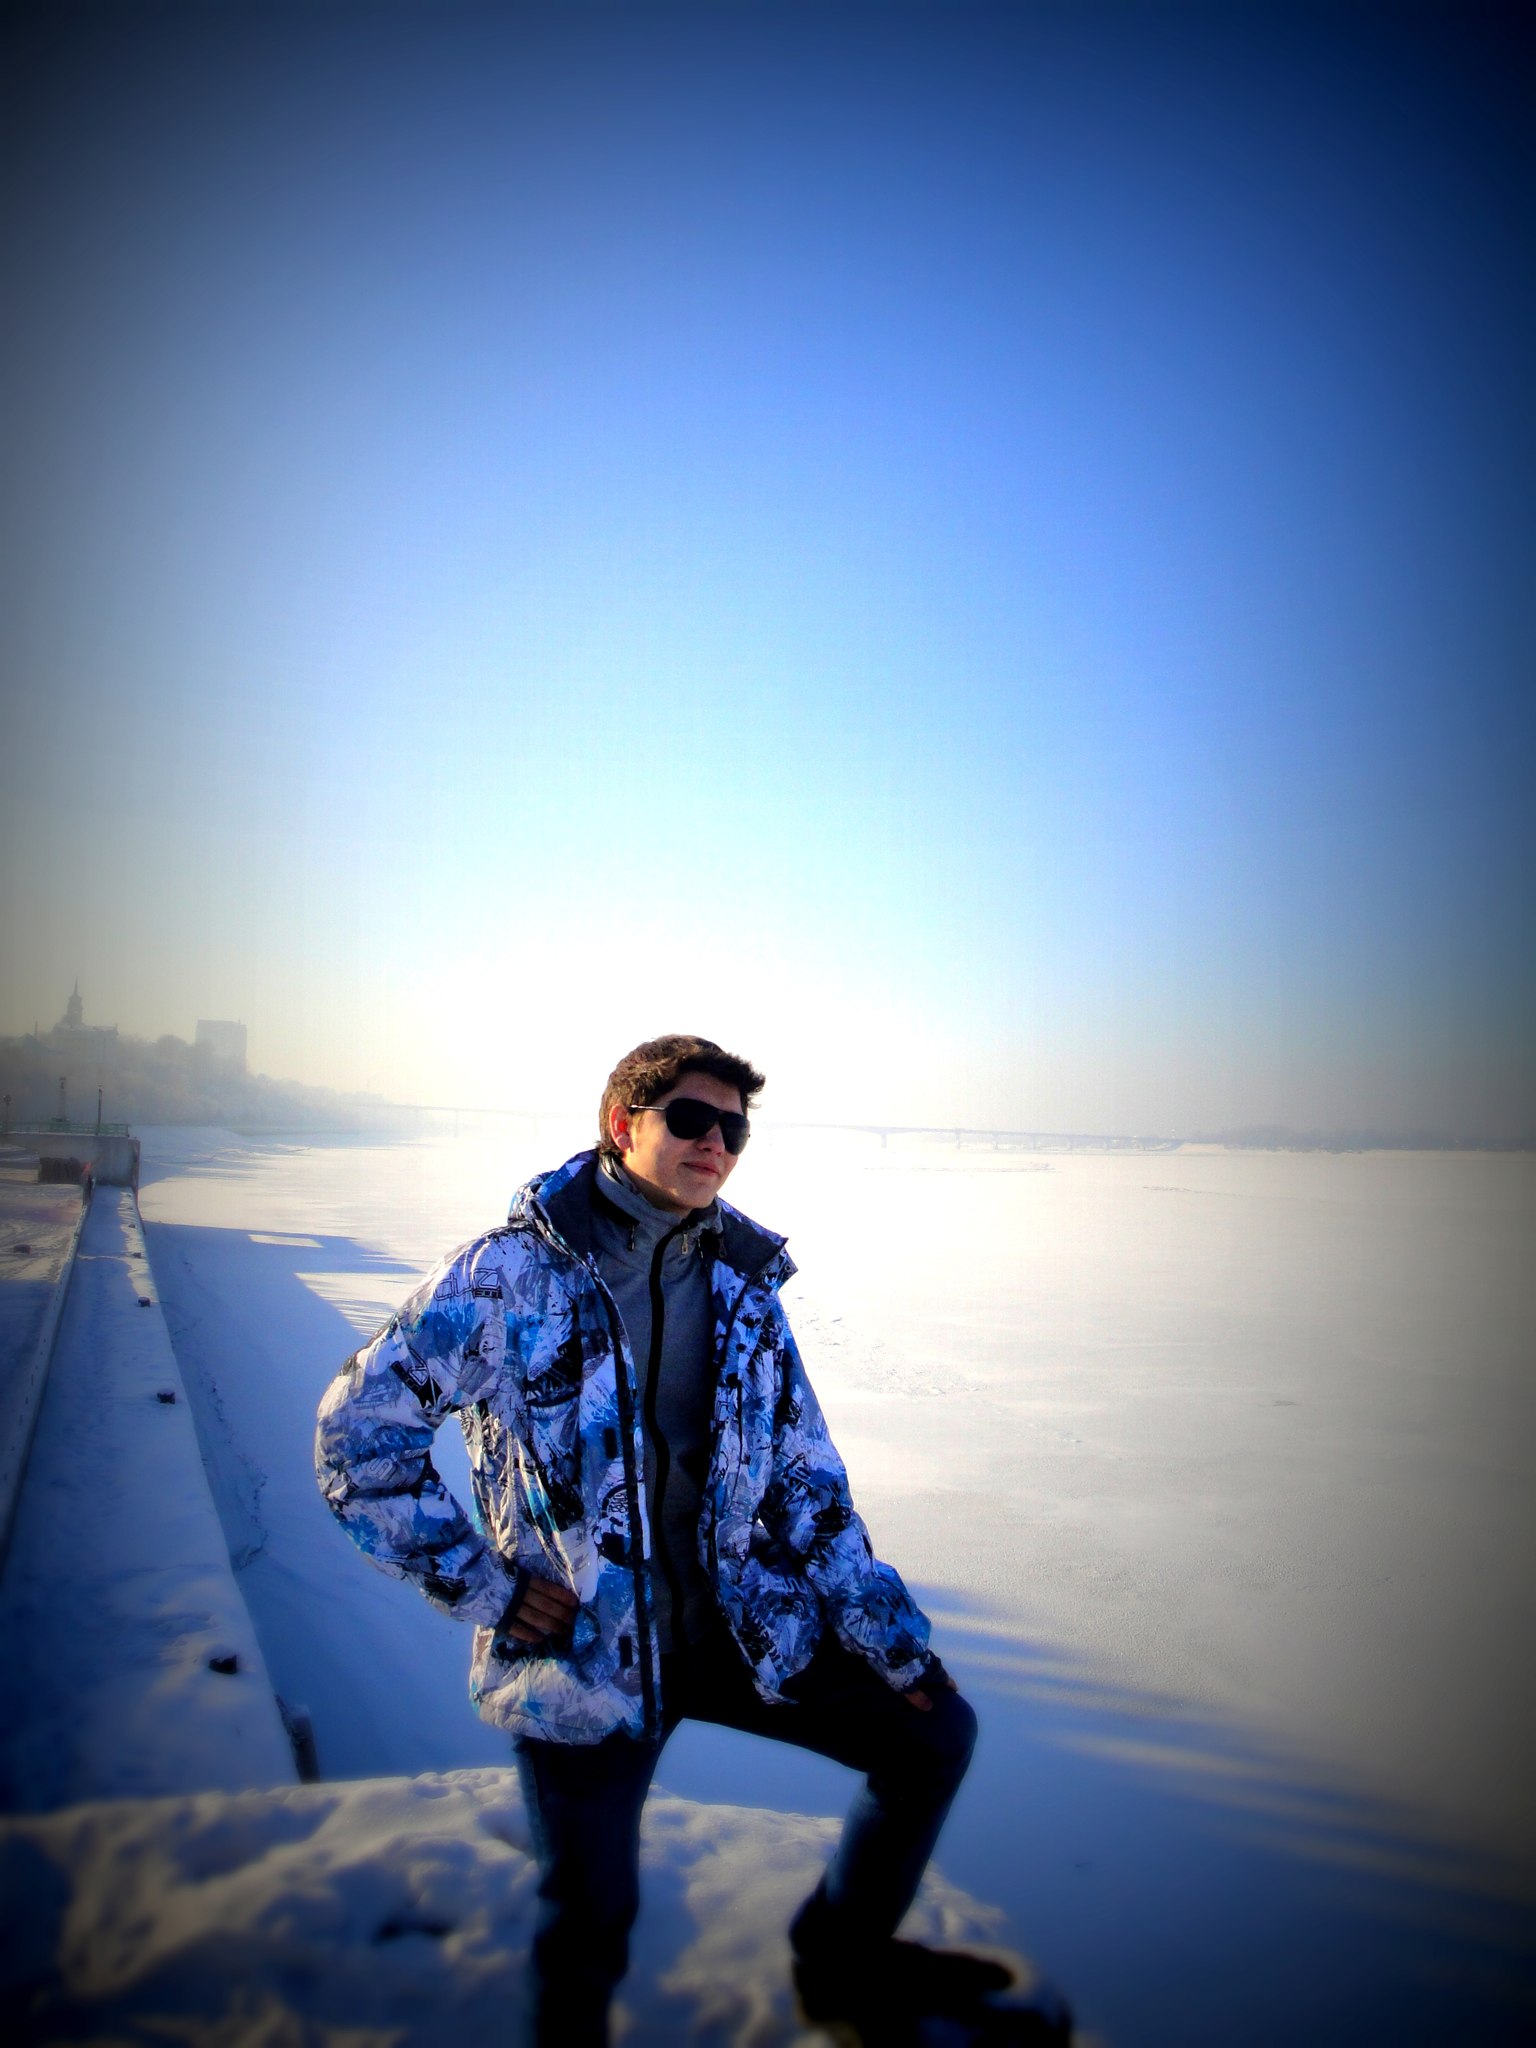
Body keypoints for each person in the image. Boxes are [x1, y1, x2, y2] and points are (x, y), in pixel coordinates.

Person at [315, 1034, 1003, 2046]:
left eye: (734, 1128)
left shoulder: (740, 1284)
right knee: (590, 1922)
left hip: (732, 1632)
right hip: (585, 1652)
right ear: (620, 1123)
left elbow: (805, 1481)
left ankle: (840, 1961)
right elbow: (358, 1435)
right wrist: (485, 1586)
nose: (715, 1141)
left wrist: (893, 1645)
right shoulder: (508, 1276)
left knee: (935, 1735)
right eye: (689, 1117)